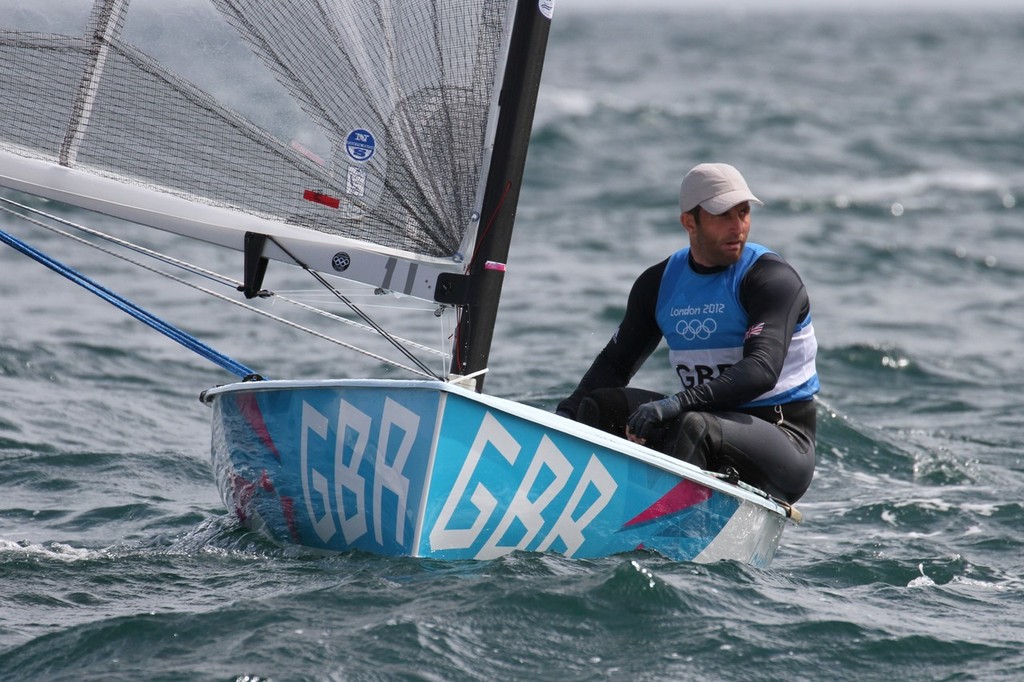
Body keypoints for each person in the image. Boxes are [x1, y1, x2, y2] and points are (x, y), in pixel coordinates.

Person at [556, 163, 819, 503]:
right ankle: (585, 512)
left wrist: (677, 403)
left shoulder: (770, 279)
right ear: (689, 222)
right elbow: (615, 365)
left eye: (743, 213)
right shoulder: (659, 283)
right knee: (599, 406)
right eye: (723, 215)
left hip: (783, 439)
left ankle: (667, 543)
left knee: (693, 426)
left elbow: (762, 370)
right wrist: (565, 416)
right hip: (706, 422)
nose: (737, 227)